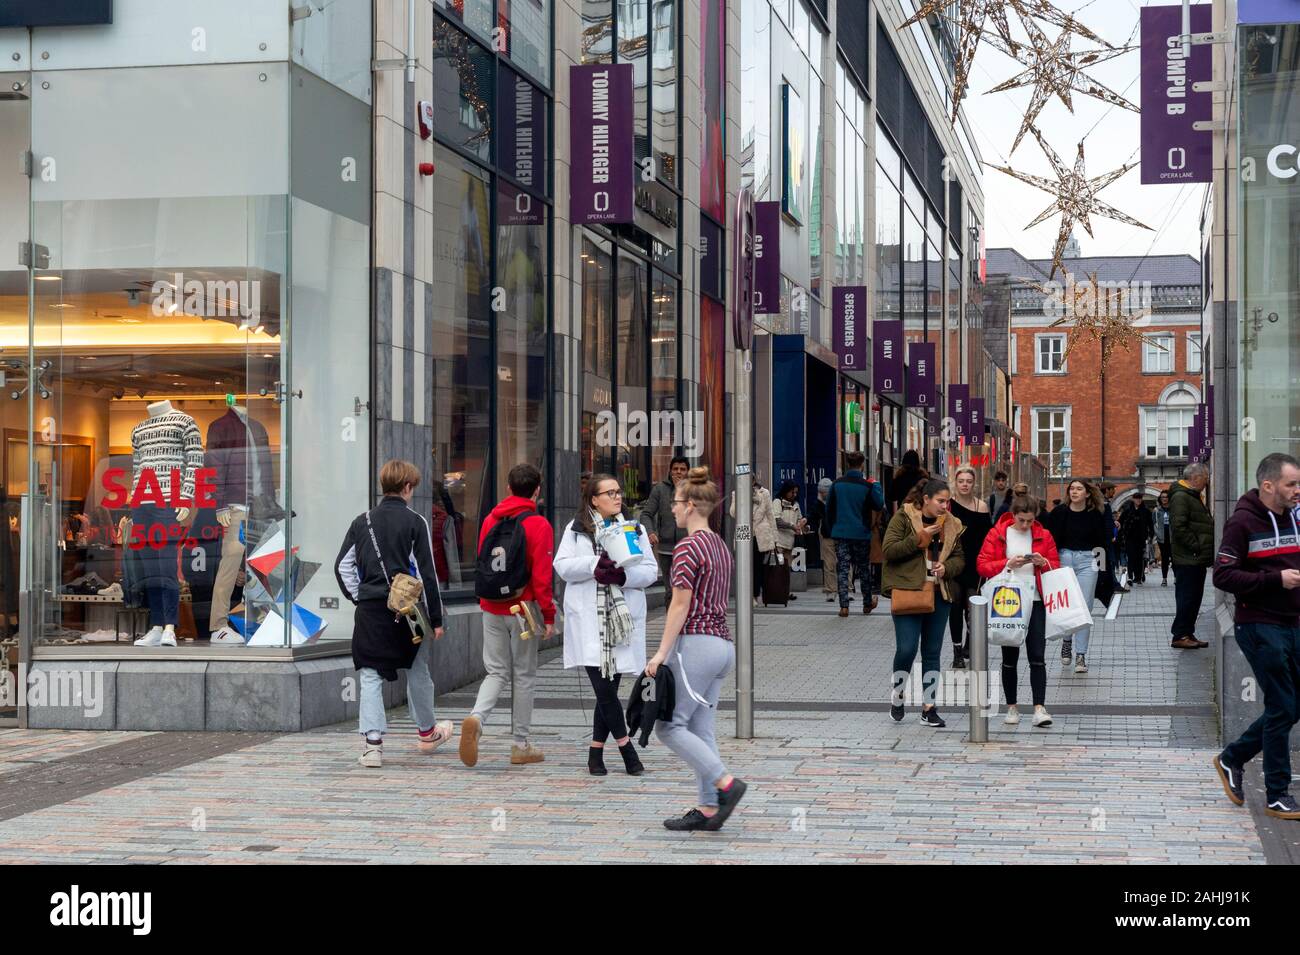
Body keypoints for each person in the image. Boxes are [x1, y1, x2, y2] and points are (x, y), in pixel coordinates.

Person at [648, 466, 749, 831]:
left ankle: (725, 783)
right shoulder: (720, 545)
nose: (672, 509)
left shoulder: (689, 547)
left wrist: (660, 653)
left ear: (690, 505)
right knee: (701, 729)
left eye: (676, 503)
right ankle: (708, 809)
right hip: (721, 645)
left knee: (669, 727)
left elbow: (680, 604)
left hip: (697, 645)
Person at [334, 459, 452, 769]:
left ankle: (373, 746)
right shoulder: (415, 522)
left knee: (370, 675)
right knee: (417, 670)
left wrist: (359, 596)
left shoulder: (362, 522)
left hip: (371, 610)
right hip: (408, 611)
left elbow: (342, 566)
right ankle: (427, 733)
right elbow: (427, 575)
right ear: (407, 487)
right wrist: (436, 619)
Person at [1213, 453, 1300, 820]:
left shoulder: (1295, 518)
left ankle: (1233, 758)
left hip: (1293, 621)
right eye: (1291, 484)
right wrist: (1273, 580)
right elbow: (1223, 577)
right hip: (1259, 623)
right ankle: (1277, 792)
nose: (1298, 490)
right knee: (1283, 705)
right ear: (1268, 486)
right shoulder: (1242, 524)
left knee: (1292, 705)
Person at [555, 473, 655, 776]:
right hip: (589, 620)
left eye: (618, 491)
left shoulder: (633, 528)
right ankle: (627, 749)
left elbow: (651, 571)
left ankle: (595, 753)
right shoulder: (575, 529)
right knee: (604, 690)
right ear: (593, 499)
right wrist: (592, 566)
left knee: (607, 691)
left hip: (620, 621)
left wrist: (623, 577)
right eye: (609, 493)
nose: (617, 497)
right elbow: (561, 566)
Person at [461, 463, 556, 767]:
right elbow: (542, 577)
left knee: (496, 671)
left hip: (491, 606)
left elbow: (482, 560)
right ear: (537, 490)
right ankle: (520, 744)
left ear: (508, 488)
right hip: (523, 608)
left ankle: (477, 717)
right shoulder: (539, 524)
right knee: (524, 673)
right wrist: (549, 616)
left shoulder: (491, 519)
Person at [881, 477, 965, 728]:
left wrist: (946, 567)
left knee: (932, 652)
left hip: (940, 594)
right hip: (910, 591)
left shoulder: (952, 524)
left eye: (947, 502)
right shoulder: (905, 517)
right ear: (926, 499)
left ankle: (929, 707)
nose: (944, 506)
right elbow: (889, 550)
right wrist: (920, 539)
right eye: (940, 501)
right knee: (906, 649)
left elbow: (960, 559)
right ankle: (898, 693)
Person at [976, 494, 1061, 728]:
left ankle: (1039, 708)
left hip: (1035, 600)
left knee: (1037, 655)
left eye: (1030, 521)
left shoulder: (1044, 535)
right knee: (1009, 657)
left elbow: (1056, 565)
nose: (1025, 525)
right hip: (1008, 600)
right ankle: (1011, 707)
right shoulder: (998, 533)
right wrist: (1006, 564)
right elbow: (982, 565)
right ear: (1013, 515)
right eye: (1022, 520)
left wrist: (1044, 563)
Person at [1043, 478, 1109, 674]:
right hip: (1064, 558)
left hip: (1089, 560)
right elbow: (1050, 540)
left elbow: (1103, 542)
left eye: (1079, 489)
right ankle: (1066, 640)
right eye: (1072, 488)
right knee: (1067, 605)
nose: (1074, 492)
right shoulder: (1059, 512)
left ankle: (1081, 654)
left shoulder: (1096, 514)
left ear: (1088, 493)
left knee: (1084, 607)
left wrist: (1103, 571)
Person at [827, 451, 885, 617]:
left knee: (843, 569)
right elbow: (879, 504)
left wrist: (832, 529)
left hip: (841, 532)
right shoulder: (867, 486)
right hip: (861, 533)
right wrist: (876, 486)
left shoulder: (836, 485)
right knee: (863, 569)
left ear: (846, 465)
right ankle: (867, 604)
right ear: (862, 465)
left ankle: (844, 606)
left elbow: (829, 509)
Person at [947, 466, 992, 669]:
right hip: (954, 563)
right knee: (955, 607)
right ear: (955, 483)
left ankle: (970, 644)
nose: (965, 484)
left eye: (969, 481)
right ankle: (957, 651)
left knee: (973, 608)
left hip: (975, 564)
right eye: (961, 481)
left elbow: (987, 538)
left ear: (974, 483)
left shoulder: (981, 507)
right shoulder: (947, 506)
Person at [1169, 462, 1214, 650]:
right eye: (1205, 478)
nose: (1207, 482)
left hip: (1195, 558)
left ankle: (1187, 631)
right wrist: (1196, 547)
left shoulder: (1192, 496)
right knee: (1187, 597)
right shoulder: (1181, 496)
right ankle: (1180, 634)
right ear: (1195, 477)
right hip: (1189, 558)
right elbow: (1179, 527)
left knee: (1194, 597)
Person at [638, 456, 689, 584]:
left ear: (688, 472)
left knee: (686, 588)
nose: (678, 472)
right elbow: (646, 514)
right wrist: (650, 532)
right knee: (670, 590)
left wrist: (680, 489)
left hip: (689, 548)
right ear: (670, 471)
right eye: (675, 469)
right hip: (666, 549)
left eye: (682, 469)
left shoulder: (694, 490)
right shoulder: (660, 489)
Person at [729, 479, 776, 607]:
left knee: (757, 567)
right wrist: (742, 497)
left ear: (754, 481)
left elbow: (770, 514)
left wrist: (774, 538)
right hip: (743, 531)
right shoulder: (736, 493)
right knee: (743, 566)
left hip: (760, 534)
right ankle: (746, 595)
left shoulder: (764, 493)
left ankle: (755, 595)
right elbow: (733, 513)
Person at [772, 479, 807, 601]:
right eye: (792, 492)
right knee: (779, 568)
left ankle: (786, 592)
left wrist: (804, 525)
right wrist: (792, 526)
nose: (794, 495)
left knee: (787, 569)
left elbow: (800, 519)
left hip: (789, 543)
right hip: (779, 543)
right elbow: (777, 521)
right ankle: (778, 592)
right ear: (786, 491)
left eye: (796, 493)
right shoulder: (778, 502)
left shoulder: (796, 505)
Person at [809, 477, 838, 602]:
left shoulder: (837, 500)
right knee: (828, 564)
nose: (821, 494)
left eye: (823, 492)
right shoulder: (819, 503)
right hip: (827, 535)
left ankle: (848, 588)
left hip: (840, 534)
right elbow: (813, 515)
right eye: (820, 492)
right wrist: (819, 501)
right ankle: (830, 590)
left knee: (844, 563)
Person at [1120, 494, 1154, 585]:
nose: (1138, 500)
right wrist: (1121, 535)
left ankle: (1138, 577)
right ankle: (1130, 577)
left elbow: (1150, 524)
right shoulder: (1127, 511)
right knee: (1131, 557)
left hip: (1141, 538)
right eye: (1136, 499)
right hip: (1129, 538)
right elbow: (1120, 522)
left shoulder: (1146, 511)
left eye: (1140, 499)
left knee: (1139, 558)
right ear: (1133, 499)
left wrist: (1151, 535)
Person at [889, 449, 927, 514]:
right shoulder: (922, 477)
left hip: (903, 512)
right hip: (919, 512)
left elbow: (892, 496)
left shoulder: (899, 477)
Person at [1154, 490, 1173, 586]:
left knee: (1175, 559)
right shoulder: (1157, 510)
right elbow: (1154, 524)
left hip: (1173, 538)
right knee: (1164, 559)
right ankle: (1164, 579)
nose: (1164, 499)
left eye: (1166, 497)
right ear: (1160, 499)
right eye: (1162, 497)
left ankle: (1176, 578)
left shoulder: (1174, 509)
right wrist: (1157, 535)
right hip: (1162, 538)